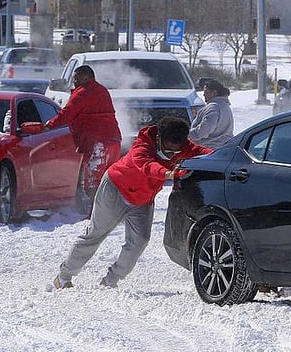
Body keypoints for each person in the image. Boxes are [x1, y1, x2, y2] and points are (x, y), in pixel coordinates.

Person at [53, 116, 213, 289]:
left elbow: (203, 152)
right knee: (95, 234)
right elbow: (146, 164)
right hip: (115, 190)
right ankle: (64, 276)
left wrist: (225, 156)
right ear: (159, 138)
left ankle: (111, 280)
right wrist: (167, 174)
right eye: (167, 150)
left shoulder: (183, 146)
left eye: (175, 152)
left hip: (142, 200)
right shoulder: (142, 145)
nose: (171, 155)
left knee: (140, 241)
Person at [45, 65, 122, 208]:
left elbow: (67, 113)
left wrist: (49, 125)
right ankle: (111, 212)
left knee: (93, 182)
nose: (74, 81)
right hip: (114, 140)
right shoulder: (102, 90)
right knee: (109, 180)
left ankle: (96, 214)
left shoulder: (83, 92)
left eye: (76, 78)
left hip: (98, 142)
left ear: (87, 77)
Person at [188, 79, 234, 149]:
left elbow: (205, 130)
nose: (203, 94)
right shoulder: (224, 106)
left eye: (206, 92)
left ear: (214, 93)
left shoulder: (213, 107)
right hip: (222, 148)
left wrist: (187, 135)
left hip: (209, 150)